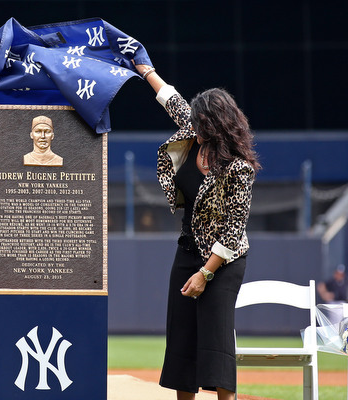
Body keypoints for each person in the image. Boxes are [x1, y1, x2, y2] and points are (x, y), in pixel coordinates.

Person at [133, 61, 260, 400]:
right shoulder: (193, 137)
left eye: (201, 122)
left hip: (224, 260)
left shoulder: (239, 169)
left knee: (217, 343)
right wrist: (145, 70)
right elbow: (171, 99)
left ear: (218, 124)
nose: (194, 125)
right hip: (188, 251)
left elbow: (233, 231)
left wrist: (206, 273)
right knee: (182, 340)